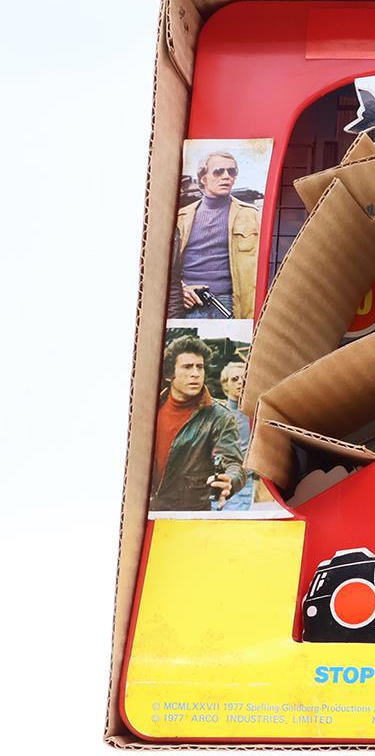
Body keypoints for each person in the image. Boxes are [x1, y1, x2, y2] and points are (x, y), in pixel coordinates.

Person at [150, 335, 247, 512]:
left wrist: (230, 481)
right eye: (187, 367)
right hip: (148, 511)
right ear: (170, 374)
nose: (195, 373)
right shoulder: (149, 409)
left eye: (200, 367)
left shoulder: (219, 417)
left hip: (191, 513)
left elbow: (233, 464)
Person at [169, 150, 260, 320]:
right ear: (203, 178)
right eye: (218, 172)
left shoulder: (252, 216)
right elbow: (164, 266)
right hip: (188, 302)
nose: (226, 177)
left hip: (230, 303)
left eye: (231, 172)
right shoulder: (181, 217)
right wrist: (181, 289)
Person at [216, 360, 254, 511]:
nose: (240, 382)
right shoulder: (218, 413)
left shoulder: (254, 413)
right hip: (223, 477)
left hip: (246, 479)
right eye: (235, 379)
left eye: (244, 378)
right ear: (226, 385)